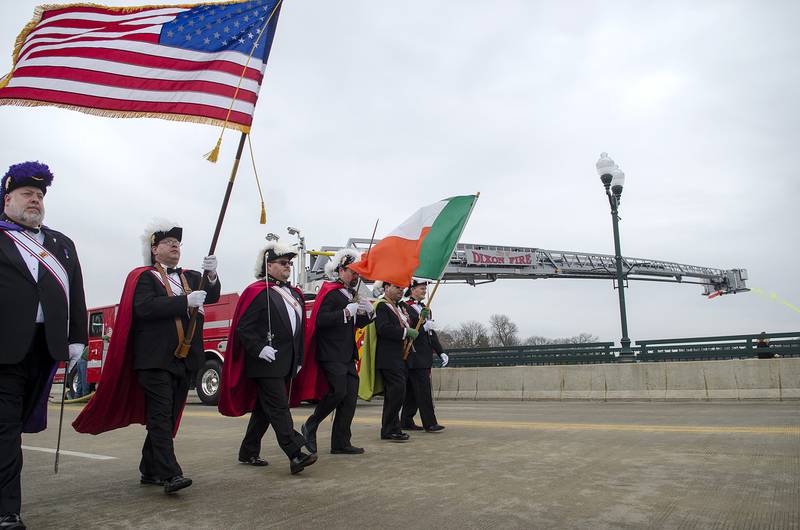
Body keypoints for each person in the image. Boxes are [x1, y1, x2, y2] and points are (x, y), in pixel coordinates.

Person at [73, 220, 220, 495]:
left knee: (169, 415)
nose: (175, 246)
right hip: (154, 359)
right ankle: (170, 473)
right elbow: (144, 308)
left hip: (183, 358)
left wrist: (211, 275)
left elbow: (211, 295)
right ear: (155, 250)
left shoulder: (188, 276)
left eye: (178, 243)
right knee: (161, 415)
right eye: (168, 243)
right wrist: (184, 302)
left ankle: (150, 468)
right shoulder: (143, 277)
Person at [0, 161, 87, 529]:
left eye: (39, 196)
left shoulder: (61, 244)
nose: (35, 200)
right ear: (7, 200)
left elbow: (76, 294)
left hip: (44, 348)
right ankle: (7, 510)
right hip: (4, 347)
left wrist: (78, 337)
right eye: (26, 194)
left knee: (16, 425)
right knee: (4, 429)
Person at [218, 241, 317, 475]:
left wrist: (299, 357)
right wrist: (259, 348)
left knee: (265, 409)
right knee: (279, 408)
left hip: (287, 361)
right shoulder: (257, 291)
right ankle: (295, 453)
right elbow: (244, 327)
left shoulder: (294, 293)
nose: (288, 267)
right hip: (264, 362)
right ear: (268, 265)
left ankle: (248, 450)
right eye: (283, 263)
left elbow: (300, 330)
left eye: (290, 263)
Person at [297, 249, 374, 455]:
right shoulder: (330, 291)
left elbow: (358, 324)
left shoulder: (351, 294)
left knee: (349, 398)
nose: (355, 276)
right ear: (340, 270)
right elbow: (320, 320)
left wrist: (368, 313)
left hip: (348, 354)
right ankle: (310, 424)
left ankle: (340, 442)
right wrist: (344, 312)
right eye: (351, 271)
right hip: (331, 353)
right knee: (337, 392)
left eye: (357, 273)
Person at [400, 279, 447, 432]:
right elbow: (408, 331)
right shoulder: (404, 307)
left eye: (424, 289)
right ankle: (430, 423)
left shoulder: (426, 309)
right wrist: (422, 326)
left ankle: (406, 421)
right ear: (412, 290)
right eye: (421, 288)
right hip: (413, 354)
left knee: (413, 392)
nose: (424, 291)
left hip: (424, 355)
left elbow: (431, 334)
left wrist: (440, 351)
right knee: (423, 391)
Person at [374, 280, 418, 442]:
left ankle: (390, 428)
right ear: (386, 288)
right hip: (388, 357)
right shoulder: (382, 306)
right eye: (397, 287)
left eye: (402, 288)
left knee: (396, 394)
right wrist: (406, 332)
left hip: (400, 357)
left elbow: (412, 321)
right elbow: (383, 328)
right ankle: (390, 428)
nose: (401, 290)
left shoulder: (398, 307)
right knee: (396, 393)